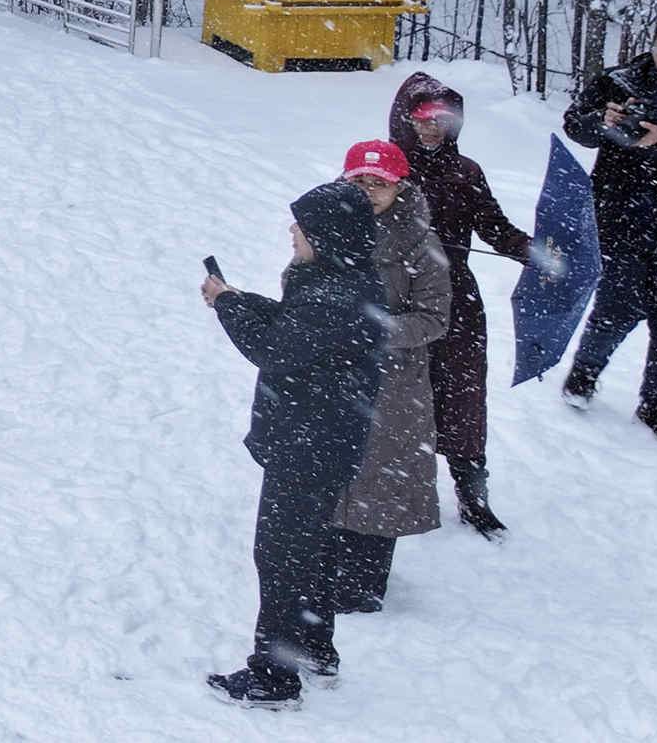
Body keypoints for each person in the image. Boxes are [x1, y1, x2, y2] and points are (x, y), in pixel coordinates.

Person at [201, 172, 390, 709]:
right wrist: (237, 298)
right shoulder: (344, 281)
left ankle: (274, 677)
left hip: (308, 444)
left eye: (302, 226)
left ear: (327, 236)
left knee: (281, 555)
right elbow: (292, 326)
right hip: (324, 440)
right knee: (312, 547)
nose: (292, 232)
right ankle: (314, 647)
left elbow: (275, 348)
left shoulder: (333, 295)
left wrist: (228, 308)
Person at [385, 72, 534, 534]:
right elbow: (345, 219)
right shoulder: (385, 168)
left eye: (442, 121)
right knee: (395, 398)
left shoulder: (465, 171)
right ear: (405, 118)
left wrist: (535, 252)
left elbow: (495, 227)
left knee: (464, 402)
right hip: (396, 300)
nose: (431, 129)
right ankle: (382, 488)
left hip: (456, 302)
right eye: (422, 119)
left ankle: (472, 494)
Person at [325, 141, 451, 615]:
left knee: (381, 480)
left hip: (393, 385)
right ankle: (324, 569)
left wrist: (377, 330)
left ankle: (361, 586)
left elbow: (435, 318)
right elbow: (294, 277)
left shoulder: (420, 241)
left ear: (399, 186)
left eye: (379, 182)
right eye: (360, 180)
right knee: (331, 471)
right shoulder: (327, 225)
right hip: (333, 374)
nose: (369, 190)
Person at [561, 13, 657, 439]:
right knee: (616, 306)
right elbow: (574, 126)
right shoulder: (620, 79)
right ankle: (583, 376)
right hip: (619, 213)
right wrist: (601, 123)